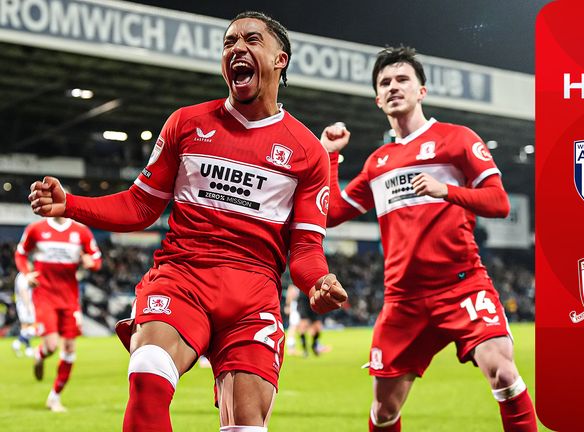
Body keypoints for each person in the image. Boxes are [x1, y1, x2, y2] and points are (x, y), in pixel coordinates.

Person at [28, 11, 347, 432]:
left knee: (246, 424)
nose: (237, 48)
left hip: (253, 296)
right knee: (147, 376)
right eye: (229, 42)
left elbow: (305, 248)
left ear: (279, 59)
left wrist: (317, 282)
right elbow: (140, 207)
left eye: (251, 39)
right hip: (182, 279)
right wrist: (72, 205)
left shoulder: (306, 151)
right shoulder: (187, 123)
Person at [320, 46, 537, 432]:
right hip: (403, 302)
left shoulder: (455, 139)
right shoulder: (377, 163)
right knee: (384, 411)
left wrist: (446, 191)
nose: (393, 86)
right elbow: (333, 213)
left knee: (504, 374)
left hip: (462, 287)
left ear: (422, 90)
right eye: (385, 82)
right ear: (377, 99)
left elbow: (500, 203)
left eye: (403, 79)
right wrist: (331, 158)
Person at [14, 216, 102, 412]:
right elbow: (20, 254)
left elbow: (96, 259)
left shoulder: (81, 232)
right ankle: (40, 353)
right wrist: (27, 274)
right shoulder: (36, 229)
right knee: (52, 345)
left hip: (70, 299)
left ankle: (54, 398)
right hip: (44, 296)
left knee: (70, 349)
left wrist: (91, 263)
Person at [11, 272, 36, 358]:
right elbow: (23, 291)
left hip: (23, 304)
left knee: (25, 328)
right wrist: (28, 306)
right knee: (32, 328)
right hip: (25, 305)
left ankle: (28, 348)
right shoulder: (22, 276)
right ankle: (17, 343)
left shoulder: (23, 275)